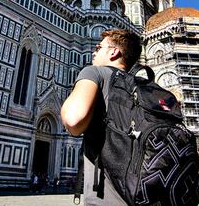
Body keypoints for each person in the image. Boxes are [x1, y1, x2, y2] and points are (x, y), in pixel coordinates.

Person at [61, 29, 142, 205]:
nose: (94, 52)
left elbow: (73, 121)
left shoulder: (94, 72)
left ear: (114, 52)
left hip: (107, 197)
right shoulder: (145, 86)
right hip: (145, 194)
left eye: (98, 47)